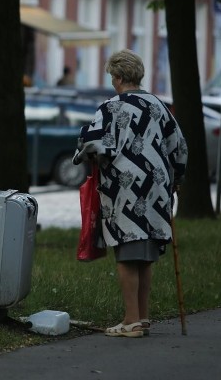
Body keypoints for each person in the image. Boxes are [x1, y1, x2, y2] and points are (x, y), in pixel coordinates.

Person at [74, 49, 187, 338]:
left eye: (113, 75)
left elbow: (93, 144)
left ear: (120, 77)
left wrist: (84, 153)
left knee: (126, 252)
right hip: (157, 185)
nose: (112, 81)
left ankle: (131, 320)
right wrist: (176, 179)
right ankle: (143, 317)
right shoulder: (159, 106)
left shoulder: (110, 108)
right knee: (145, 252)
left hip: (124, 187)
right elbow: (179, 146)